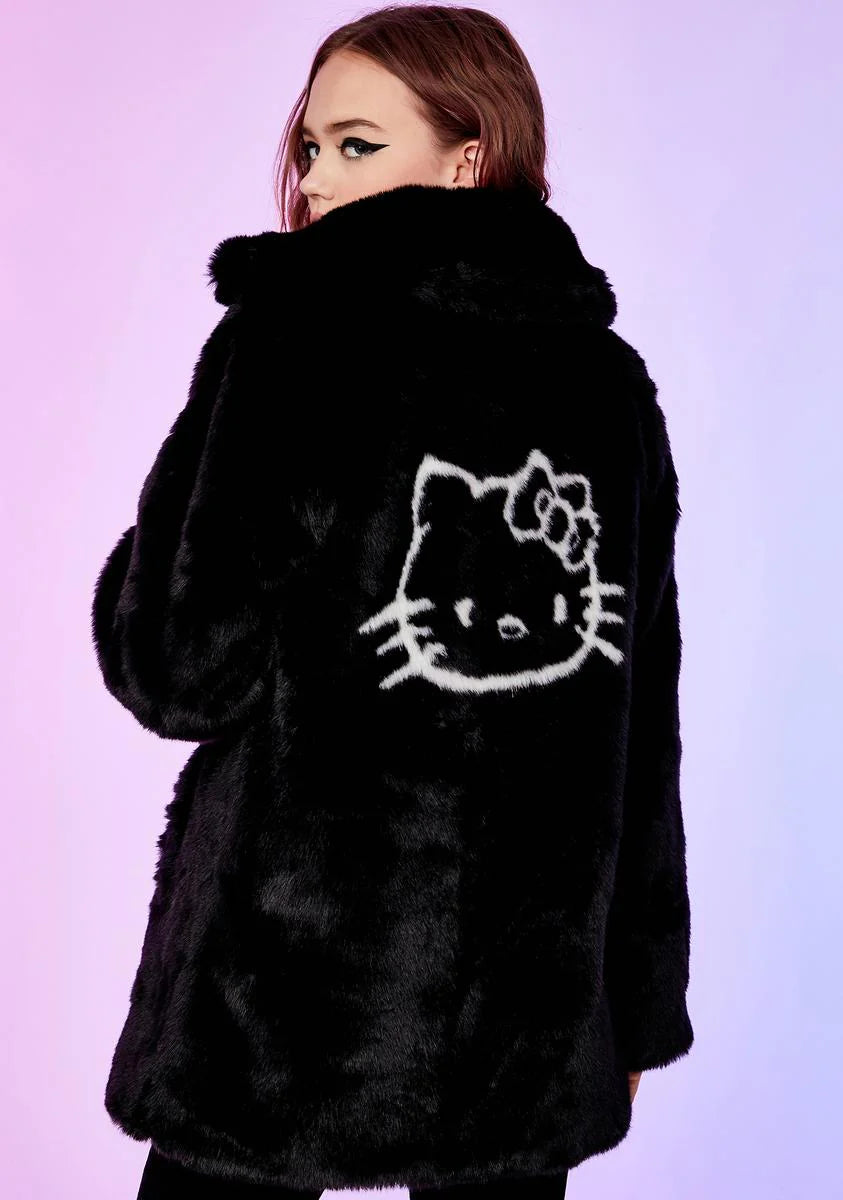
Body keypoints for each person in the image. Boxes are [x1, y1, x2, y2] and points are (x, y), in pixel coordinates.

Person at [91, 5, 694, 1198]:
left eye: (356, 145)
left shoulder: (293, 340)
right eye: (309, 147)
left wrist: (152, 544)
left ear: (468, 157)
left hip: (280, 1009)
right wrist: (636, 1006)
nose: (315, 180)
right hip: (522, 1021)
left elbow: (176, 667)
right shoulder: (610, 392)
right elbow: (642, 722)